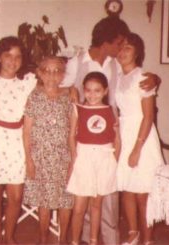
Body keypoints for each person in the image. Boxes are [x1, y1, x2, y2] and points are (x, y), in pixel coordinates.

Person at [61, 16, 160, 244]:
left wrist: (155, 78)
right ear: (107, 41)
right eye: (119, 43)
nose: (121, 49)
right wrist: (70, 93)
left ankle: (109, 238)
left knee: (109, 192)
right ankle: (86, 238)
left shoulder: (117, 64)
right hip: (86, 139)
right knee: (86, 195)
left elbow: (136, 78)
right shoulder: (78, 62)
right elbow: (60, 85)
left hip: (113, 135)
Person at [0, 36, 37, 244]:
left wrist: (71, 90)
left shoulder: (28, 83)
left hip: (17, 141)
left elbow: (54, 81)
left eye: (18, 56)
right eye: (8, 55)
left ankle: (10, 237)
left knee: (16, 196)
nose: (13, 60)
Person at [115, 32, 164, 245]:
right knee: (127, 187)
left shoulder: (144, 78)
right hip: (125, 133)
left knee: (143, 193)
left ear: (137, 52)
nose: (122, 51)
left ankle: (148, 240)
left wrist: (137, 149)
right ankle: (133, 234)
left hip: (141, 137)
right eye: (120, 47)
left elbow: (148, 116)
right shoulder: (119, 77)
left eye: (128, 47)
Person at [22, 56, 74, 244]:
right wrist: (29, 160)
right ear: (40, 73)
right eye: (48, 71)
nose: (52, 75)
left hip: (63, 157)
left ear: (62, 75)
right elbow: (26, 132)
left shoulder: (69, 97)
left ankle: (63, 240)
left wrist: (72, 161)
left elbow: (72, 132)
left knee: (65, 200)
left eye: (57, 71)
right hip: (41, 157)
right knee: (44, 201)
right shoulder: (34, 96)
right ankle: (43, 239)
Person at [67, 72, 121, 245]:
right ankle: (75, 241)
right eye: (88, 90)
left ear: (105, 91)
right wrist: (74, 157)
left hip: (104, 159)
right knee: (79, 207)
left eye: (97, 91)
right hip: (84, 158)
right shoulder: (78, 109)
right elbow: (71, 136)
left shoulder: (110, 110)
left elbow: (116, 137)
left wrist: (115, 159)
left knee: (96, 205)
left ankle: (93, 240)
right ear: (83, 90)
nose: (92, 95)